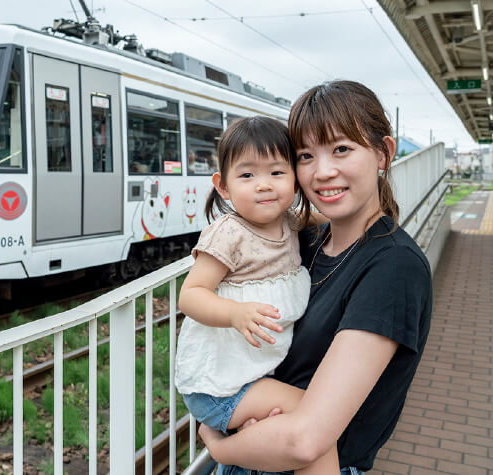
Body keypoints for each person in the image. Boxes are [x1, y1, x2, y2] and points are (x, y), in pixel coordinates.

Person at [199, 80, 433, 474]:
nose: (322, 172)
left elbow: (306, 440)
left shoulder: (394, 267)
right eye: (305, 155)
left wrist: (219, 448)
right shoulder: (303, 241)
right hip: (254, 458)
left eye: (342, 149)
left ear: (383, 153)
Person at [176, 116, 339, 475]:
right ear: (223, 186)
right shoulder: (228, 234)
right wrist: (235, 313)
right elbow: (190, 296)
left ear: (296, 179)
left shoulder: (291, 222)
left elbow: (333, 218)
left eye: (277, 173)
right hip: (220, 386)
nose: (264, 186)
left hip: (253, 375)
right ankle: (224, 447)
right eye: (247, 176)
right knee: (316, 419)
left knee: (297, 427)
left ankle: (234, 447)